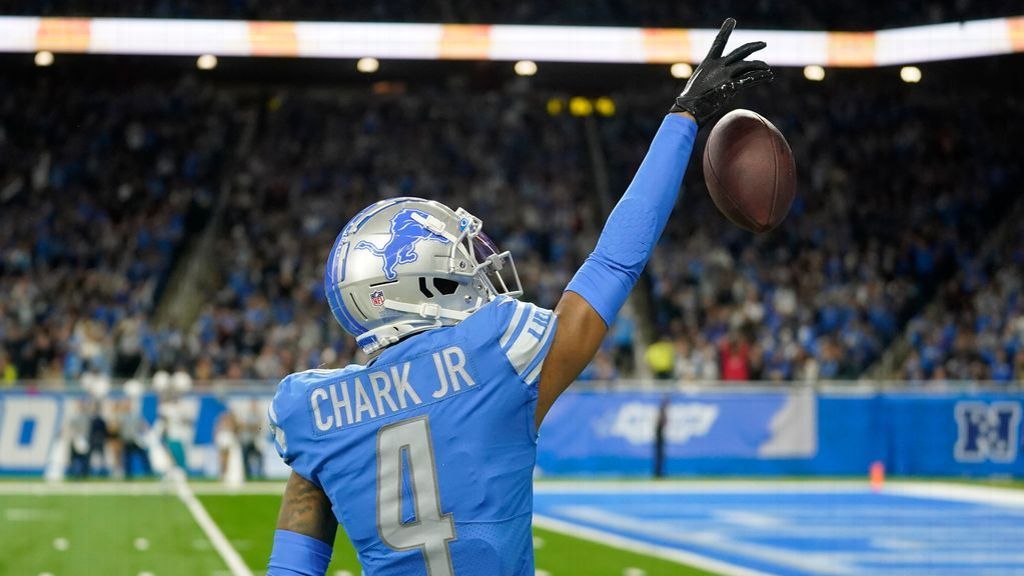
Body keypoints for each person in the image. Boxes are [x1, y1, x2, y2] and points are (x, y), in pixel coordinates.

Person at [266, 18, 771, 576]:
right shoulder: (498, 357)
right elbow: (612, 264)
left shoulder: (315, 413)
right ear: (420, 283)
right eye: (460, 261)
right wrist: (684, 117)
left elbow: (293, 560)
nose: (479, 267)